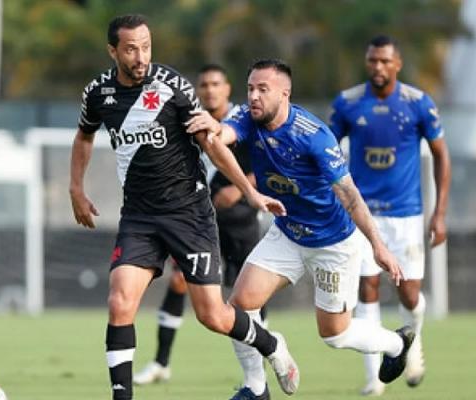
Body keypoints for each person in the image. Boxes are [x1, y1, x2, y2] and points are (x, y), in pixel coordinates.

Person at [71, 15, 298, 400]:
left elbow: (212, 144)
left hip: (188, 213)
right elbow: (84, 135)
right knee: (119, 300)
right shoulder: (98, 93)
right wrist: (76, 187)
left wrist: (250, 191)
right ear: (113, 51)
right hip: (139, 215)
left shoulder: (173, 86)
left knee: (213, 315)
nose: (140, 55)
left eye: (146, 46)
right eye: (130, 48)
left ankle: (272, 346)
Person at [186, 58, 415, 400]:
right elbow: (226, 133)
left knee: (334, 334)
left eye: (263, 89)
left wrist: (379, 246)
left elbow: (351, 197)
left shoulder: (315, 137)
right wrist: (213, 126)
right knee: (240, 304)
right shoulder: (247, 117)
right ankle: (255, 388)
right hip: (287, 234)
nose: (254, 96)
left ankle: (398, 343)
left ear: (285, 93)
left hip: (333, 244)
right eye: (250, 88)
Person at [329, 35, 451, 396]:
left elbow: (442, 156)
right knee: (366, 287)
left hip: (406, 217)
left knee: (408, 294)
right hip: (362, 216)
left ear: (397, 63)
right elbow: (326, 153)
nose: (377, 67)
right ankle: (374, 378)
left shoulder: (418, 103)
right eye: (372, 61)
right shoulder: (348, 103)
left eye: (384, 61)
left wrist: (439, 213)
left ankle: (413, 343)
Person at [133, 64, 266, 389]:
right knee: (179, 280)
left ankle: (260, 364)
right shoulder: (186, 118)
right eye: (203, 84)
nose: (209, 90)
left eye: (215, 84)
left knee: (248, 297)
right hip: (198, 221)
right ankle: (161, 363)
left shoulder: (242, 121)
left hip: (240, 222)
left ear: (227, 88)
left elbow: (268, 162)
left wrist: (240, 188)